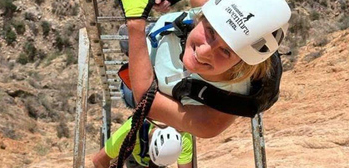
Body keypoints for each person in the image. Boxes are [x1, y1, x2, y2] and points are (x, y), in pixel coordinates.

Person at [119, 0, 291, 138]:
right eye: (210, 32)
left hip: (144, 86)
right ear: (201, 17)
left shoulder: (209, 122)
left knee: (128, 89)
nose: (203, 52)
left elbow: (145, 101)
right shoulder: (216, 11)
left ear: (241, 63)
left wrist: (135, 25)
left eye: (225, 51)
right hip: (159, 38)